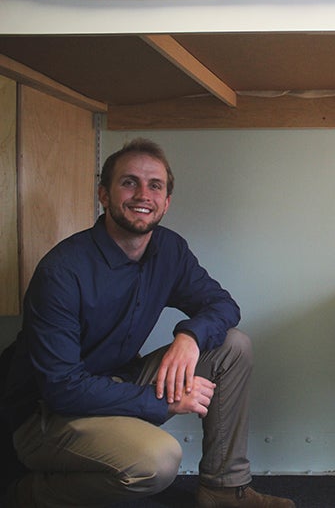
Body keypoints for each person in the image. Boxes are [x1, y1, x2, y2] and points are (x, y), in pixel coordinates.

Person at [1, 138, 294, 507]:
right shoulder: (62, 271)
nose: (143, 193)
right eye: (129, 182)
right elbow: (62, 388)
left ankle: (222, 491)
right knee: (157, 461)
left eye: (155, 185)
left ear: (166, 202)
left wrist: (188, 336)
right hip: (48, 415)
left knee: (232, 346)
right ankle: (28, 493)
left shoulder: (168, 249)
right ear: (104, 195)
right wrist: (165, 403)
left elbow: (221, 304)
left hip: (119, 380)